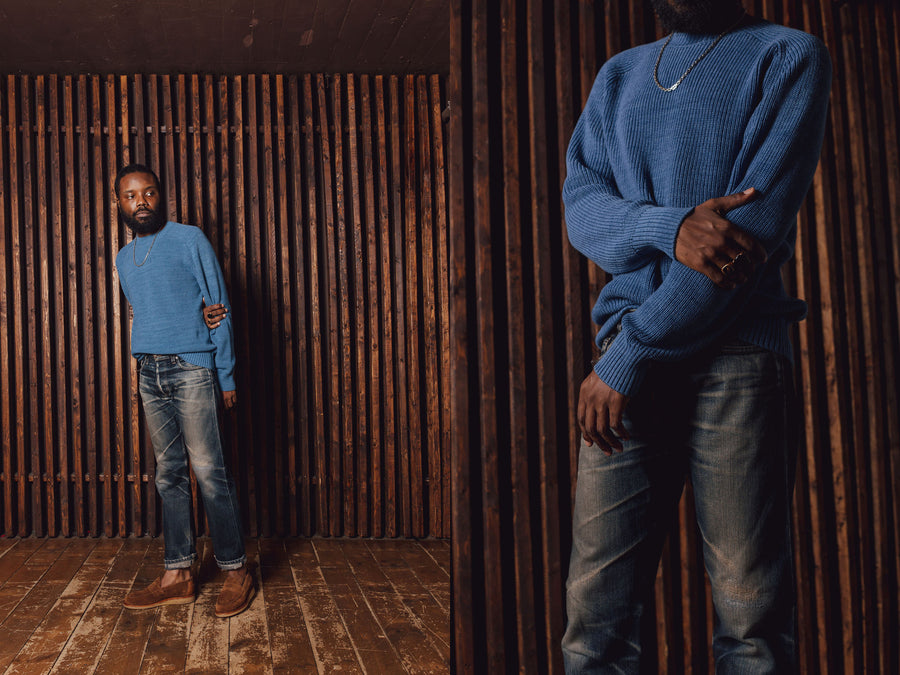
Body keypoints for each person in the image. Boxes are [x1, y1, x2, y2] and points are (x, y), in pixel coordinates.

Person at [561, 0, 831, 671]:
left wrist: (630, 352)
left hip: (732, 358)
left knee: (750, 623)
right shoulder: (618, 77)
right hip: (625, 359)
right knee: (593, 624)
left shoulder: (788, 55)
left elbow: (744, 242)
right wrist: (668, 227)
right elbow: (581, 211)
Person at [114, 164, 255, 618]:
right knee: (168, 473)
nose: (141, 201)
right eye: (131, 195)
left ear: (161, 196)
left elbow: (220, 307)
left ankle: (236, 570)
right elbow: (150, 312)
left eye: (149, 193)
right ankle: (178, 573)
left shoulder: (190, 238)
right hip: (149, 372)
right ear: (119, 204)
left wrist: (225, 376)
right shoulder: (121, 258)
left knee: (209, 470)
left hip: (192, 368)